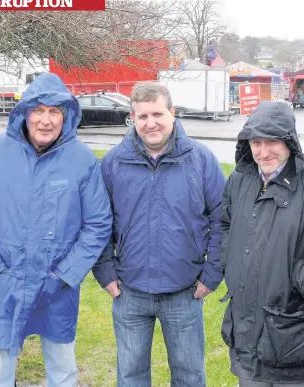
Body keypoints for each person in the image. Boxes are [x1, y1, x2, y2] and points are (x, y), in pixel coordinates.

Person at [0, 73, 113, 386]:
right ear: (23, 113)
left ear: (66, 117)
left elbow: (98, 223)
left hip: (56, 287)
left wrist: (64, 276)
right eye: (38, 110)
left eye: (55, 112)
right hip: (1, 284)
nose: (46, 120)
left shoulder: (82, 161)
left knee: (63, 369)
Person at [92, 81, 226, 387]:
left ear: (173, 113)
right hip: (129, 290)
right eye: (142, 117)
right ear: (132, 118)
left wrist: (212, 273)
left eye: (157, 114)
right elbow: (98, 221)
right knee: (130, 376)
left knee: (190, 376)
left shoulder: (201, 160)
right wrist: (104, 271)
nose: (150, 123)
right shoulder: (114, 162)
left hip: (184, 290)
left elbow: (222, 219)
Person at [219, 101, 304, 387]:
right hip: (246, 331)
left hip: (294, 333)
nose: (263, 151)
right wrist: (230, 263)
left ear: (289, 142)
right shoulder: (240, 180)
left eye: (272, 141)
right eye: (256, 142)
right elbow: (224, 225)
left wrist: (303, 281)